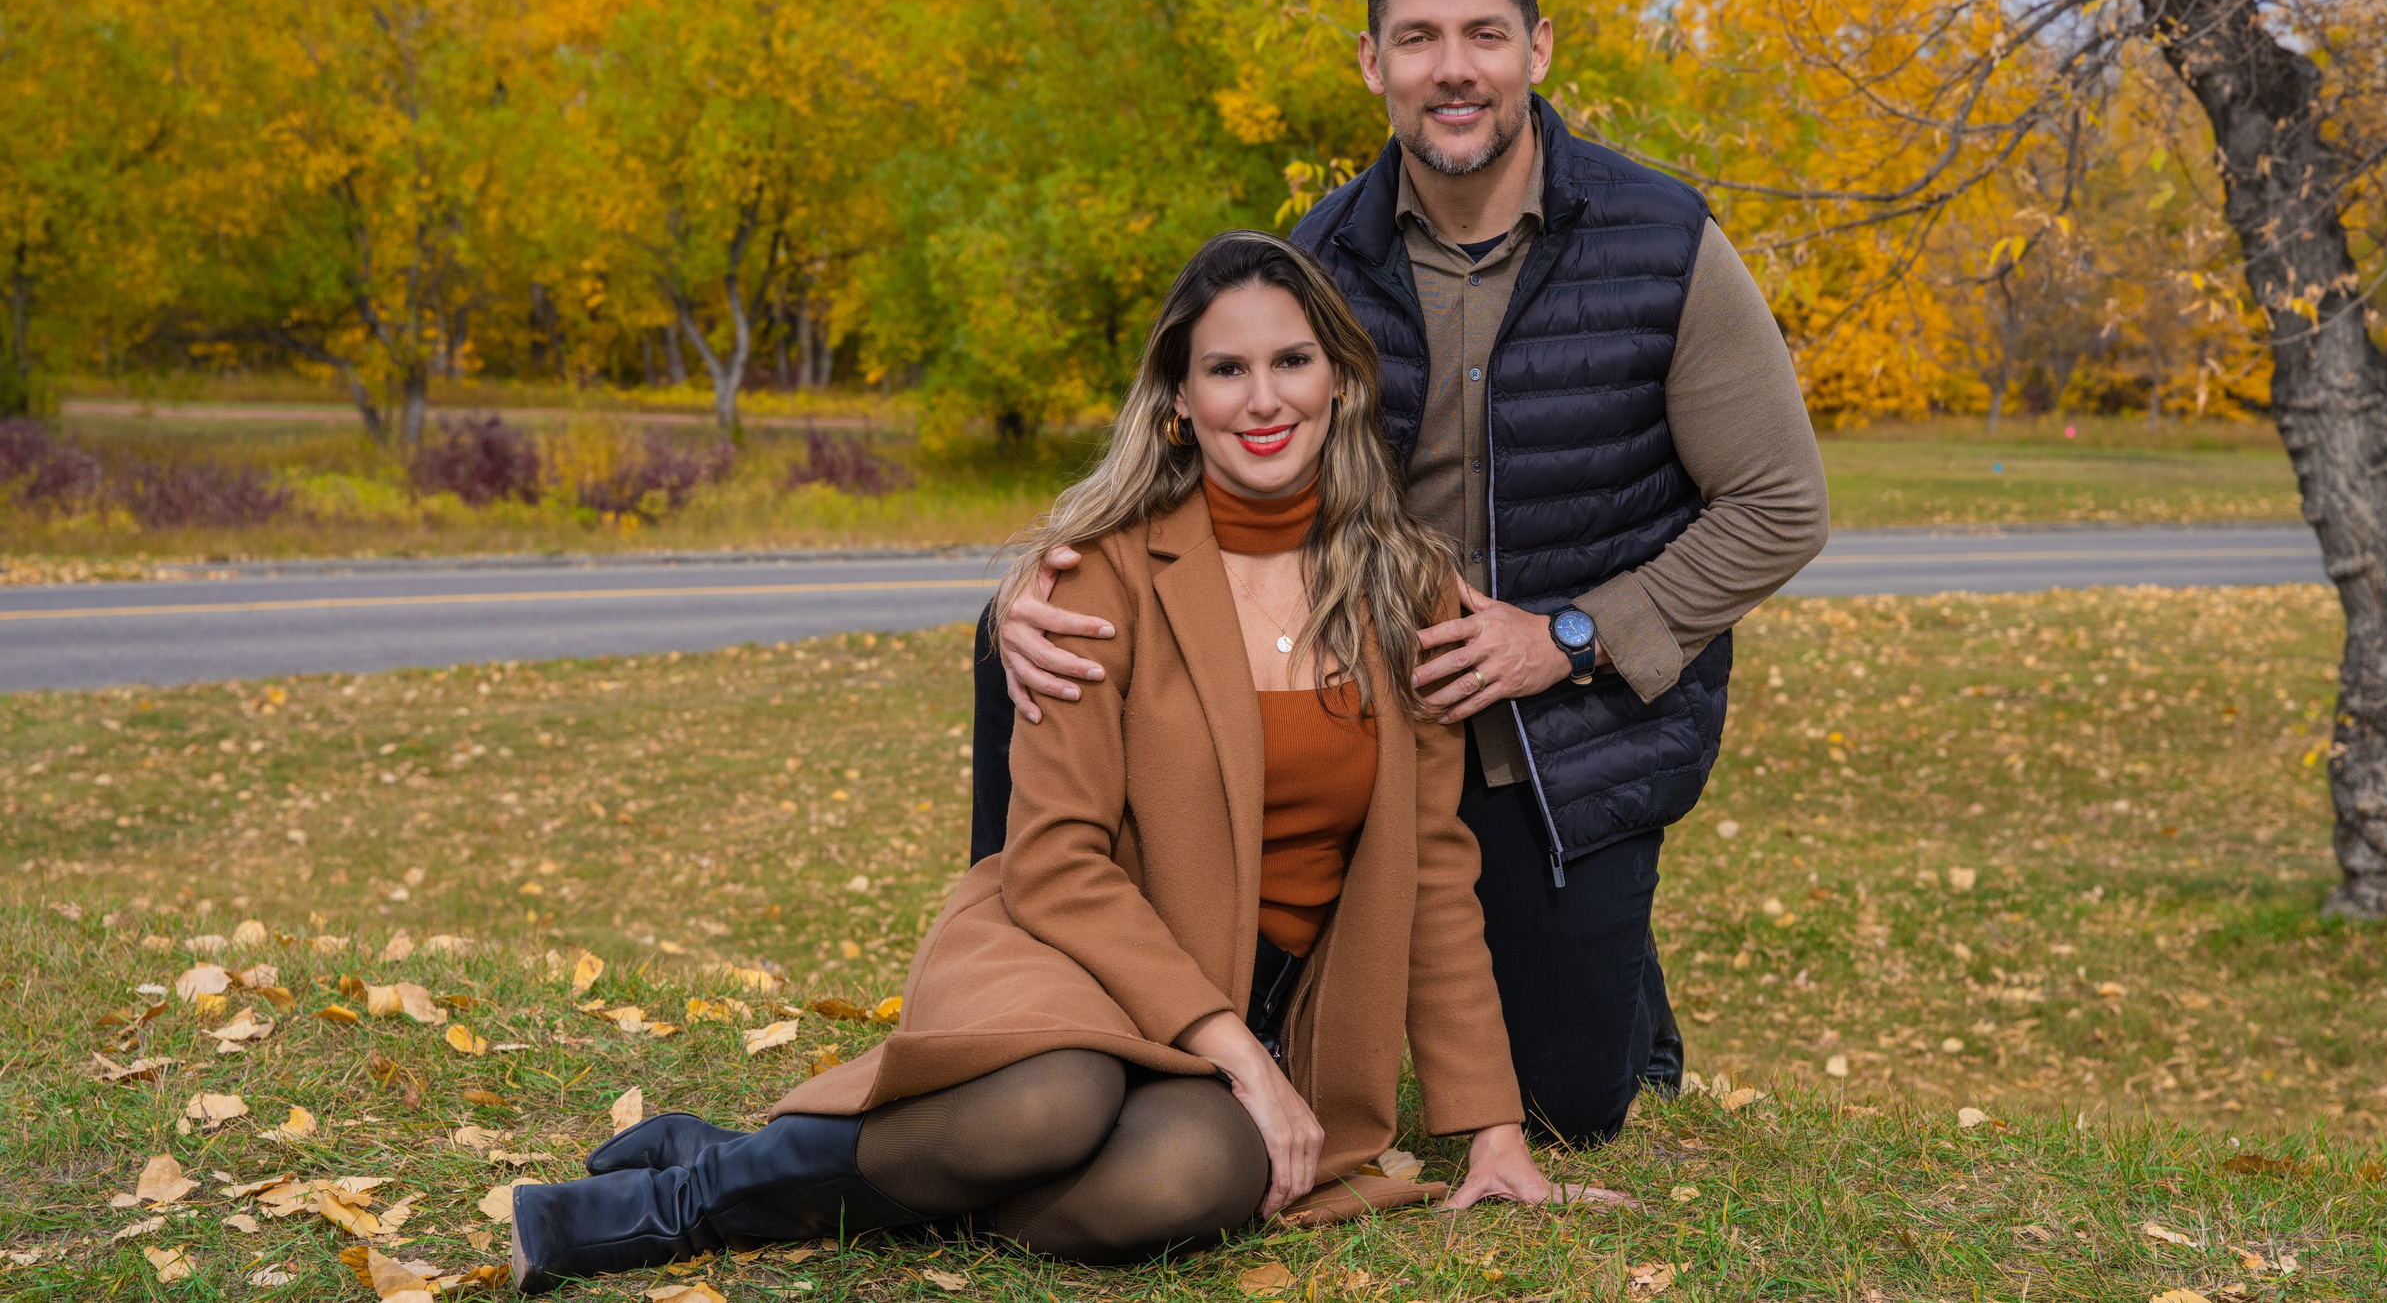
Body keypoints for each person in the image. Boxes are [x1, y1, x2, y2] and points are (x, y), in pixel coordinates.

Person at [509, 231, 1600, 1293]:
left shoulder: (1402, 590)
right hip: (1070, 951)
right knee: (1052, 1101)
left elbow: (1432, 873)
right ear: (1178, 398)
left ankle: (865, 1168)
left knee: (1189, 1179)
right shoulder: (1102, 577)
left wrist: (1490, 1129)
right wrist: (1237, 1056)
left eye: (1291, 362)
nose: (1263, 400)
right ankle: (674, 1205)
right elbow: (1056, 859)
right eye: (1225, 369)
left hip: (1266, 1001)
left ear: (1340, 382)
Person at [984, 0, 1830, 1147]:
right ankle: (1038, 1007)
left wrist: (1573, 633)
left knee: (1566, 1108)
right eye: (1418, 39)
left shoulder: (1664, 243)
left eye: (1483, 34)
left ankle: (1613, 975)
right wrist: (1030, 591)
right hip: (1374, 725)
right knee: (1019, 657)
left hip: (1571, 736)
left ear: (1537, 49)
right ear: (1372, 63)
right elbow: (1217, 439)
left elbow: (1781, 505)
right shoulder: (1319, 259)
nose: (1453, 70)